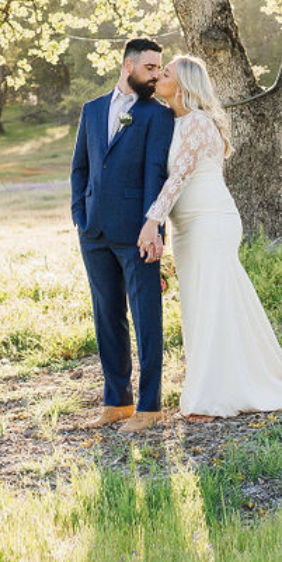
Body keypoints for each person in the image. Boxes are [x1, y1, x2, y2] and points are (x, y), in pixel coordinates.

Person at [146, 54, 282, 419]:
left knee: (213, 304)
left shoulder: (199, 123)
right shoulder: (173, 123)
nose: (158, 77)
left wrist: (150, 221)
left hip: (210, 221)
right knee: (198, 306)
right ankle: (215, 382)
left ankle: (211, 397)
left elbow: (179, 177)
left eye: (165, 73)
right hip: (186, 227)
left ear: (184, 84)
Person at [69, 38, 174, 435]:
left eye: (159, 68)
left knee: (147, 317)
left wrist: (154, 227)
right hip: (93, 231)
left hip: (137, 233)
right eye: (150, 67)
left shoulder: (157, 114)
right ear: (127, 65)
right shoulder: (92, 110)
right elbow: (80, 167)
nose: (156, 75)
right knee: (107, 316)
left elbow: (156, 175)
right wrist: (80, 215)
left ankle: (150, 406)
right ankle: (118, 401)